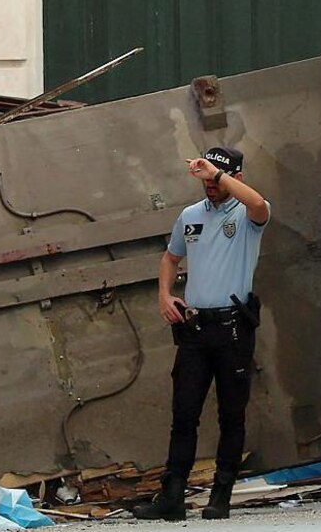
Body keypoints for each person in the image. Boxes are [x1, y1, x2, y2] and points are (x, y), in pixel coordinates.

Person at [133, 146, 270, 521]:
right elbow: (170, 257)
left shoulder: (247, 214)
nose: (209, 184)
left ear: (235, 177)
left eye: (216, 179)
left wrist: (218, 174)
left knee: (231, 415)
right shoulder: (190, 215)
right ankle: (172, 497)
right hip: (195, 328)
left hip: (233, 328)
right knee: (184, 414)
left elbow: (259, 203)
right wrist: (164, 295)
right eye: (205, 178)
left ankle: (220, 496)